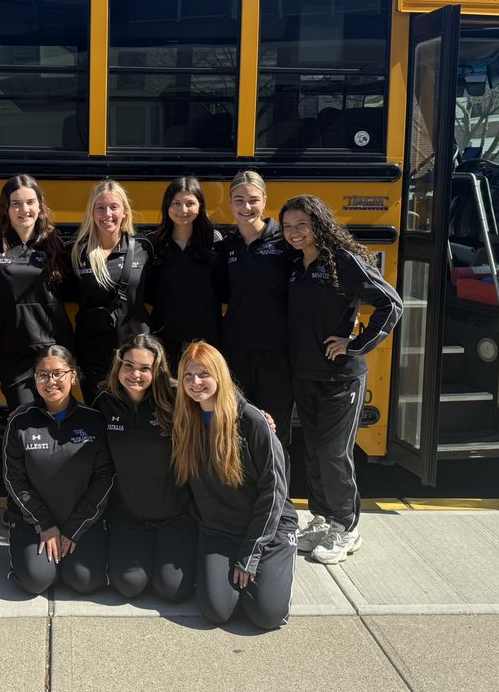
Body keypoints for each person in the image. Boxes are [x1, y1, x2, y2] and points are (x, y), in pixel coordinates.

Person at [280, 194, 402, 564]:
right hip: (304, 373)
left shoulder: (344, 262)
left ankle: (347, 528)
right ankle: (323, 519)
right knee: (314, 453)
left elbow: (390, 303)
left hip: (340, 378)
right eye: (287, 227)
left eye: (302, 224)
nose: (294, 232)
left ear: (318, 223)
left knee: (334, 454)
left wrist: (356, 344)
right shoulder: (296, 264)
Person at [172, 341, 298, 630]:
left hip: (268, 530)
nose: (195, 383)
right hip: (219, 530)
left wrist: (251, 555)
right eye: (188, 376)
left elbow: (274, 492)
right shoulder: (185, 420)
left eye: (204, 374)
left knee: (266, 615)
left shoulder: (253, 422)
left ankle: (274, 575)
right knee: (217, 612)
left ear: (220, 375)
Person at [91, 334, 195, 602]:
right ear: (119, 365)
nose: (135, 374)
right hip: (128, 515)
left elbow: (216, 402)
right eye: (129, 365)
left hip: (174, 515)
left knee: (172, 590)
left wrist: (255, 414)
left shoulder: (176, 396)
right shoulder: (104, 398)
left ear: (157, 370)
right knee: (129, 586)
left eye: (144, 368)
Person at [3, 345, 113, 595]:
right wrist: (45, 523)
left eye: (58, 374)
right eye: (43, 374)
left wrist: (76, 526)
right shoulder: (20, 421)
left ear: (73, 376)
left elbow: (104, 477)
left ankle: (70, 559)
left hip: (82, 520)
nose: (50, 381)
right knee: (36, 580)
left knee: (84, 581)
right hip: (34, 522)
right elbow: (14, 479)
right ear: (35, 379)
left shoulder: (94, 420)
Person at [0, 175, 74, 410]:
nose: (24, 209)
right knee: (24, 420)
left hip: (52, 349)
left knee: (55, 421)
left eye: (31, 202)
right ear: (6, 209)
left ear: (40, 206)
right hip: (14, 352)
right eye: (16, 204)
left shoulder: (55, 243)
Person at [215, 170, 295, 447]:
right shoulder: (226, 247)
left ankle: (277, 491)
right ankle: (246, 490)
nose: (246, 207)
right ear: (230, 202)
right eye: (239, 200)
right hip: (236, 351)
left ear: (264, 200)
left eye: (253, 200)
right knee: (239, 429)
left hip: (277, 352)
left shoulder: (285, 242)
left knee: (275, 431)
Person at [69, 179, 152, 402]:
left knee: (135, 420)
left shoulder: (143, 248)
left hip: (135, 355)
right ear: (91, 213)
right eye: (100, 208)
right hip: (93, 356)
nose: (107, 214)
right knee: (99, 418)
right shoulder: (77, 252)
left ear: (124, 212)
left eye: (114, 207)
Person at [147, 177, 223, 370]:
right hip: (164, 341)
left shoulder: (214, 242)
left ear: (200, 206)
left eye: (190, 203)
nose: (183, 211)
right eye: (176, 203)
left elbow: (223, 289)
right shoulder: (154, 244)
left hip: (206, 343)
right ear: (167, 206)